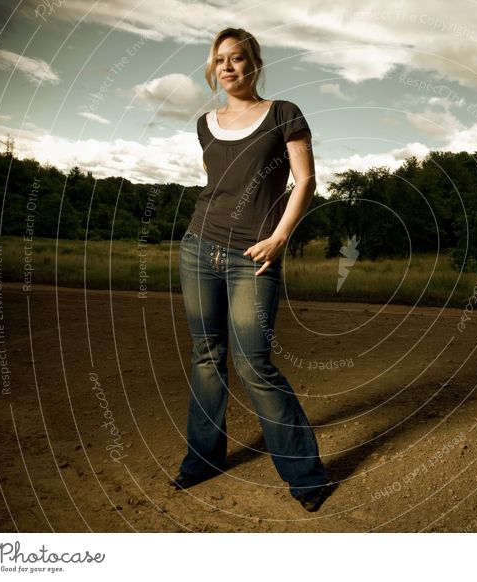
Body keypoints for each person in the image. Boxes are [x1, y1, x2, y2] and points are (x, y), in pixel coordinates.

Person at [171, 27, 336, 512]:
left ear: (254, 64)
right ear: (212, 68)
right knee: (206, 356)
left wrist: (280, 238)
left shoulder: (284, 113)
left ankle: (307, 478)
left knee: (252, 363)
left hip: (254, 257)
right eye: (220, 59)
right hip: (198, 248)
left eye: (238, 58)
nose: (228, 66)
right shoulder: (205, 124)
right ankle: (201, 461)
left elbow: (304, 181)